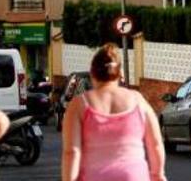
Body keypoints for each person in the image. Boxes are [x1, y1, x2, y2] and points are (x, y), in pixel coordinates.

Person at [61, 43, 167, 181]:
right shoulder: (138, 100)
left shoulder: (79, 105)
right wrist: (157, 175)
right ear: (120, 74)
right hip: (134, 176)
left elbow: (72, 152)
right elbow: (156, 144)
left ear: (93, 73)